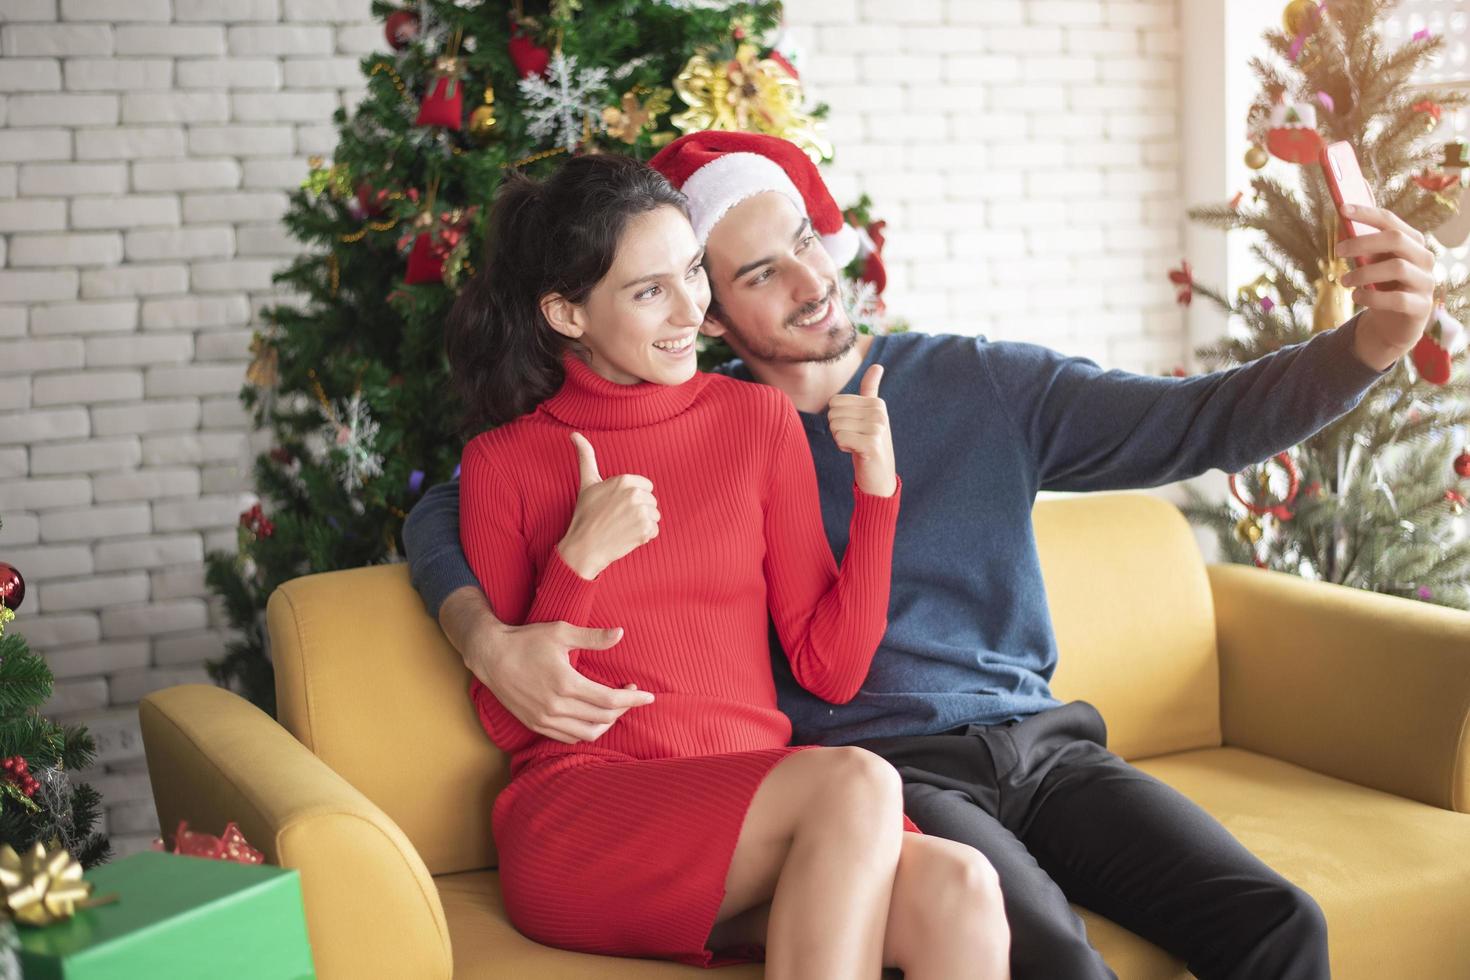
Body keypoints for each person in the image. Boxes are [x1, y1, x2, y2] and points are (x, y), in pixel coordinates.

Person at [410, 132, 1436, 979]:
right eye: (760, 272)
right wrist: (482, 629)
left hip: (1047, 747)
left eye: (809, 242)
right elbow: (464, 500)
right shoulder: (709, 422)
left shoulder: (972, 384)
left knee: (1280, 921)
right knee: (1049, 955)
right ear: (715, 314)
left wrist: (1371, 344)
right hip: (887, 770)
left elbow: (1195, 422)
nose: (813, 281)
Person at [445, 151, 1010, 978]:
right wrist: (578, 558)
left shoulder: (755, 422)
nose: (690, 312)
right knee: (854, 781)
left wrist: (877, 492)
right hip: (586, 818)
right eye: (649, 292)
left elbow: (833, 668)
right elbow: (509, 719)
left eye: (690, 274)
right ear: (567, 313)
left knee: (963, 882)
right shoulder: (507, 462)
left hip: (758, 813)